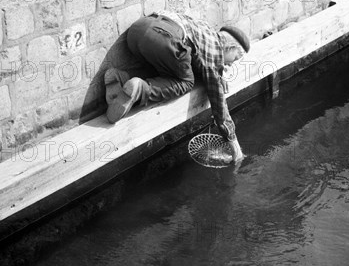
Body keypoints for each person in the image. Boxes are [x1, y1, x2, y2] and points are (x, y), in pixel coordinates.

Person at [105, 11, 250, 163]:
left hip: (138, 31)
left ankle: (121, 78)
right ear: (230, 47)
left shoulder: (205, 29)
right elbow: (217, 99)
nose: (231, 64)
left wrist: (218, 74)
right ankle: (140, 89)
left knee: (164, 71)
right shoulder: (215, 50)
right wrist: (233, 142)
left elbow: (194, 60)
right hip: (166, 37)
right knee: (186, 82)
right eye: (235, 58)